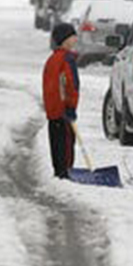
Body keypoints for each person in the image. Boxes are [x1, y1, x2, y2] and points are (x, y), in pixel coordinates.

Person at [42, 22, 80, 179]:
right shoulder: (67, 59)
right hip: (64, 110)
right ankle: (66, 172)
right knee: (66, 143)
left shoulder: (52, 59)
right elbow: (71, 84)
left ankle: (59, 171)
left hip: (53, 110)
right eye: (73, 37)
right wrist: (70, 106)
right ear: (65, 40)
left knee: (56, 142)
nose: (75, 39)